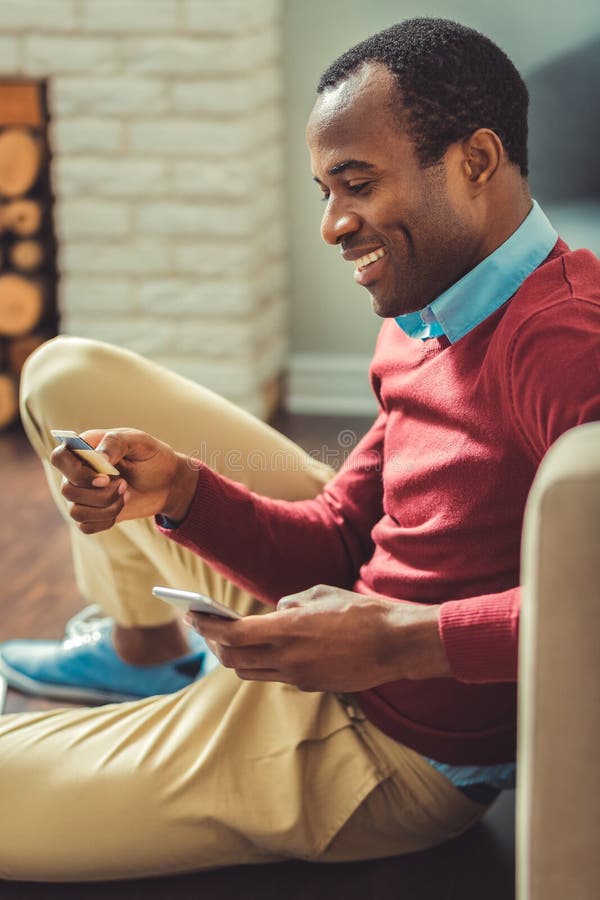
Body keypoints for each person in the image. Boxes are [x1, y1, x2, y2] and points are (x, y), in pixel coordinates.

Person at [1, 16, 599, 882]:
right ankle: (147, 660)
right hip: (346, 647)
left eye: (355, 184)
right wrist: (175, 490)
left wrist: (403, 640)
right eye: (324, 188)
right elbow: (338, 538)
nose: (331, 225)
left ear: (475, 161)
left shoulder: (563, 345)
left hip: (390, 756)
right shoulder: (428, 309)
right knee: (66, 369)